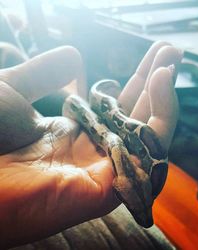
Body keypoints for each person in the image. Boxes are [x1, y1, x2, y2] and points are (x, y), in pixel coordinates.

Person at [0, 41, 182, 249]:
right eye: (134, 209)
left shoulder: (116, 149)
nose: (145, 219)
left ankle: (77, 93)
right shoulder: (113, 146)